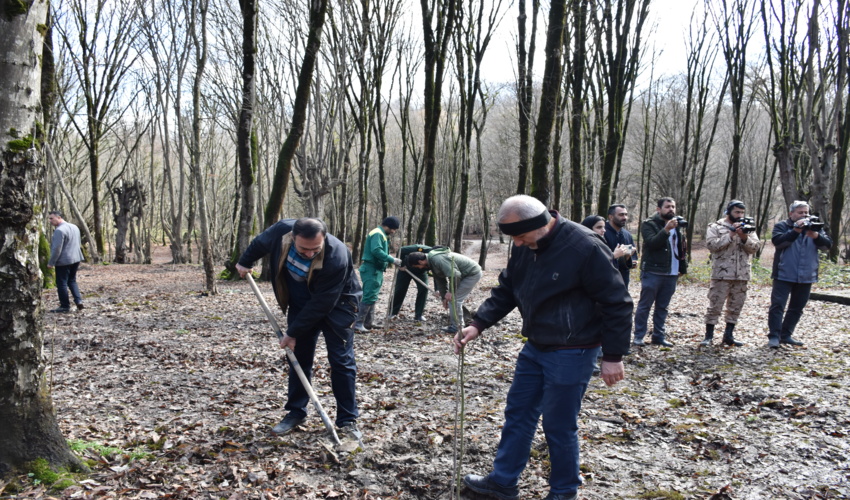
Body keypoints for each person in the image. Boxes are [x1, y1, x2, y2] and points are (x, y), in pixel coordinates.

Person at [456, 195, 632, 500]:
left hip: (574, 349)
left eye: (522, 237)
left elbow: (617, 302)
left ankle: (563, 493)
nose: (519, 245)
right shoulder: (525, 245)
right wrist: (478, 324)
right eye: (515, 239)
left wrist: (613, 356)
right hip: (536, 346)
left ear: (541, 224)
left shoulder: (585, 247)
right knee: (518, 414)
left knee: (559, 425)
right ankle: (502, 482)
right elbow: (508, 288)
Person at [235, 218, 363, 439]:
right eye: (304, 248)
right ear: (293, 237)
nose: (310, 254)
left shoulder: (337, 254)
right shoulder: (281, 231)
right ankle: (296, 412)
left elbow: (323, 302)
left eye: (316, 249)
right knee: (298, 356)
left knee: (341, 359)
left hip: (339, 303)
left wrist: (292, 331)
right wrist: (245, 261)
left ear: (324, 238)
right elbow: (260, 243)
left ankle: (347, 419)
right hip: (301, 301)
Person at [767, 200, 832, 348]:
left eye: (806, 212)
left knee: (797, 308)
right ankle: (774, 337)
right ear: (791, 214)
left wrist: (816, 236)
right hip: (784, 274)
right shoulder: (782, 226)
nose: (804, 215)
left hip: (807, 275)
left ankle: (786, 335)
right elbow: (778, 242)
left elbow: (827, 246)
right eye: (800, 212)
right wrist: (795, 231)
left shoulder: (815, 227)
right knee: (777, 306)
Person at [701, 200, 760, 347]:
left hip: (741, 274)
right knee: (715, 305)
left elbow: (755, 248)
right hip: (721, 274)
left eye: (742, 212)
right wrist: (730, 235)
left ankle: (729, 335)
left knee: (736, 306)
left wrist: (744, 237)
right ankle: (709, 336)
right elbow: (712, 245)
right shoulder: (715, 226)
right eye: (736, 212)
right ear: (728, 212)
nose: (739, 215)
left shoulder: (749, 228)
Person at [633, 197, 688, 347]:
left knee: (663, 307)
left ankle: (658, 336)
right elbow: (652, 243)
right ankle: (638, 336)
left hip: (671, 272)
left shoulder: (677, 225)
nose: (671, 209)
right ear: (658, 209)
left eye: (673, 206)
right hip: (653, 270)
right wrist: (666, 230)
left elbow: (681, 248)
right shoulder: (649, 224)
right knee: (645, 305)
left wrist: (682, 268)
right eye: (667, 207)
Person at [407, 247, 482, 334]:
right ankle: (460, 323)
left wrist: (450, 291)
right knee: (452, 300)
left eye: (417, 266)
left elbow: (455, 275)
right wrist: (443, 297)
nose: (419, 268)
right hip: (462, 275)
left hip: (472, 273)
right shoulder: (432, 262)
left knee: (454, 300)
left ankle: (458, 327)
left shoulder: (437, 260)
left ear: (420, 261)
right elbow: (440, 280)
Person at [355, 216, 402, 332]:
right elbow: (376, 250)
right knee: (368, 295)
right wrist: (392, 259)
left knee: (372, 296)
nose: (393, 232)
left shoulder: (381, 234)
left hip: (376, 269)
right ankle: (358, 324)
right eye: (393, 229)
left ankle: (368, 322)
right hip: (371, 269)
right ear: (388, 226)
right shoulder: (377, 234)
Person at [47, 210, 85, 313]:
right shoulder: (74, 227)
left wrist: (51, 262)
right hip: (76, 258)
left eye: (51, 218)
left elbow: (57, 249)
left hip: (64, 260)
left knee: (61, 283)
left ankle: (65, 306)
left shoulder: (59, 231)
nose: (50, 221)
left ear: (59, 217)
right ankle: (78, 301)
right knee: (72, 280)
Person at [389, 244, 433, 322]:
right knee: (400, 289)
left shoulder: (434, 257)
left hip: (421, 272)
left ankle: (419, 314)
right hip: (405, 270)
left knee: (424, 289)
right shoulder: (418, 248)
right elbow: (400, 250)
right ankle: (392, 312)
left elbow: (437, 273)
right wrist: (401, 265)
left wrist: (437, 289)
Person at [604, 204, 638, 288]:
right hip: (606, 278)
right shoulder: (602, 232)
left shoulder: (627, 235)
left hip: (623, 279)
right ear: (611, 217)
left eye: (626, 214)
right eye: (621, 215)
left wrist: (632, 260)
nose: (625, 217)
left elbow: (633, 257)